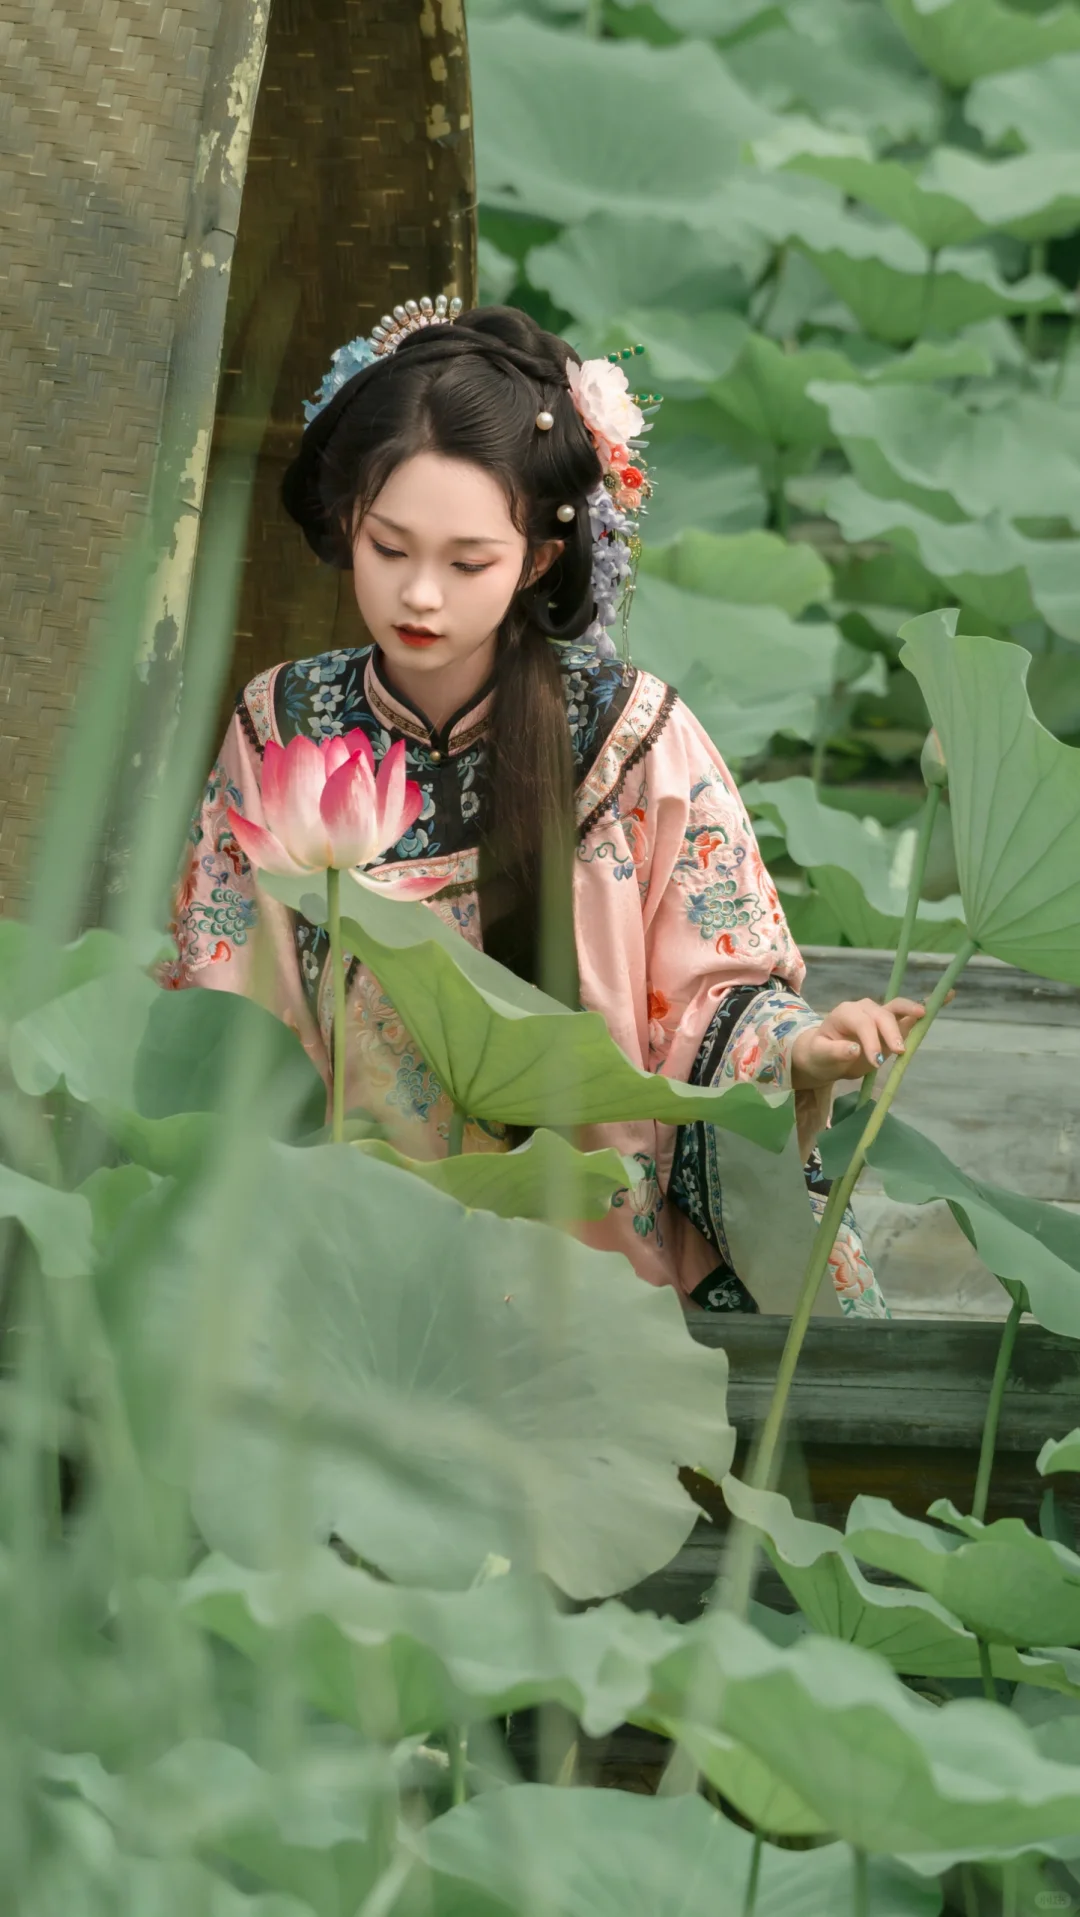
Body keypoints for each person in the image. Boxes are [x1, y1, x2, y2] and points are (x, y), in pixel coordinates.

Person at [165, 300, 925, 1316]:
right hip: (344, 1259)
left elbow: (712, 998)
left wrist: (798, 1049)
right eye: (390, 549)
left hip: (598, 1279)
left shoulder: (637, 738)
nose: (419, 596)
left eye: (467, 561)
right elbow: (225, 996)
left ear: (540, 558)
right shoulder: (281, 723)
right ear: (348, 522)